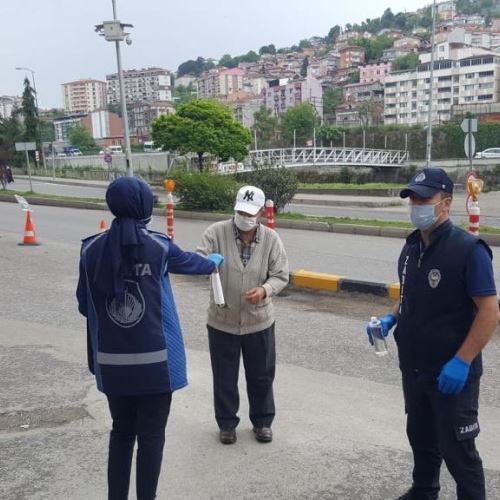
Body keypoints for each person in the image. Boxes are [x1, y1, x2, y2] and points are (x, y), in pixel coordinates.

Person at [76, 177, 223, 500]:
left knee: (122, 434)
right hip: (157, 365)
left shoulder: (90, 250)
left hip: (112, 366)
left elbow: (84, 306)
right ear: (145, 207)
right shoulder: (158, 247)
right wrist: (212, 263)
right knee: (152, 437)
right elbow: (194, 264)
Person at [367, 168, 498, 500]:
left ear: (446, 203)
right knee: (421, 437)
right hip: (415, 368)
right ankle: (424, 491)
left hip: (452, 372)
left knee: (458, 451)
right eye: (412, 198)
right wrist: (390, 318)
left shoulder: (469, 250)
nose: (416, 204)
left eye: (424, 198)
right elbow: (407, 297)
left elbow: (489, 311)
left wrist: (463, 361)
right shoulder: (412, 247)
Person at [197, 185, 289, 445]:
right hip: (221, 319)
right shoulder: (215, 233)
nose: (244, 216)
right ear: (234, 207)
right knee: (224, 376)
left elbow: (281, 275)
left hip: (258, 321)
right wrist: (206, 263)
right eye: (240, 211)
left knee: (261, 375)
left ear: (260, 212)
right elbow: (196, 259)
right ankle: (226, 424)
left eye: (250, 212)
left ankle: (262, 422)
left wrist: (264, 290)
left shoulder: (271, 239)